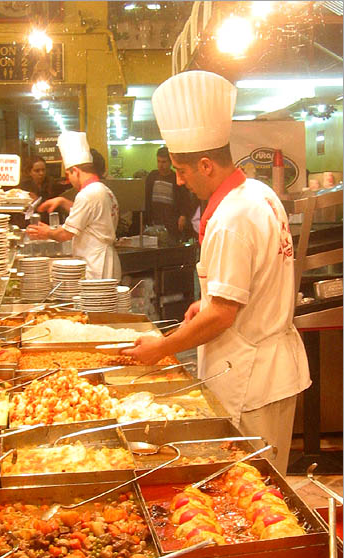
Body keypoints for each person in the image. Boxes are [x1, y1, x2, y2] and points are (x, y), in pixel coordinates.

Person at [123, 71, 311, 475]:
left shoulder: (231, 217)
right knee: (260, 486)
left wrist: (162, 347)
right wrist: (204, 302)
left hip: (251, 380)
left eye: (182, 170)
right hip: (267, 369)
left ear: (206, 165)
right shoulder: (259, 193)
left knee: (255, 493)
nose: (178, 180)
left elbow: (224, 315)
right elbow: (246, 286)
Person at [26, 131, 121, 280]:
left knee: (96, 304)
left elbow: (65, 234)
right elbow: (91, 215)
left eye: (68, 175)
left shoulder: (88, 194)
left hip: (95, 265)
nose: (69, 180)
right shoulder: (102, 189)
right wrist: (63, 201)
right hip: (104, 260)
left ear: (75, 171)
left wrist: (47, 232)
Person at [145, 146, 196, 243]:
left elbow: (185, 199)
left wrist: (183, 215)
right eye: (159, 161)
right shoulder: (152, 177)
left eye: (164, 162)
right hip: (154, 222)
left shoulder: (176, 178)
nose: (161, 165)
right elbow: (146, 198)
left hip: (171, 224)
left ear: (170, 162)